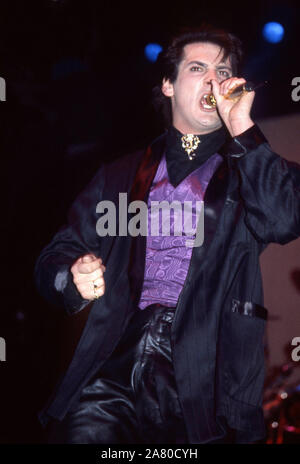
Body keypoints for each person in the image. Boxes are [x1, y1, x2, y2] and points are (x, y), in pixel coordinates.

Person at [34, 25, 300, 444]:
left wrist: (243, 127)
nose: (214, 79)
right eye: (198, 68)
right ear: (169, 85)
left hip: (203, 372)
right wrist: (72, 274)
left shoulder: (250, 167)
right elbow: (54, 255)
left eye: (223, 70)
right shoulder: (118, 174)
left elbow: (283, 219)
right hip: (112, 360)